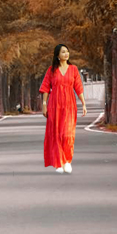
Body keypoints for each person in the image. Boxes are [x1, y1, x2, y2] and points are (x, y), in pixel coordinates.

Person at [40, 43, 86, 173]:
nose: (66, 54)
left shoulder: (74, 69)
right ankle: (58, 162)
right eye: (63, 52)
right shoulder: (51, 70)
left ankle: (67, 161)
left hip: (69, 105)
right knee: (56, 134)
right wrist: (44, 104)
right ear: (58, 56)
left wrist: (83, 104)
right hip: (54, 105)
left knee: (67, 134)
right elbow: (45, 88)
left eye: (67, 51)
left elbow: (78, 87)